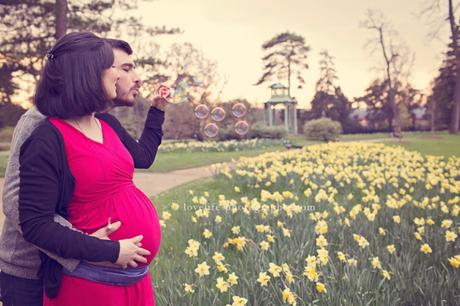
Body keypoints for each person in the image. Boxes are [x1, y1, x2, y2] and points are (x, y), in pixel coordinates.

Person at [0, 32, 165, 305]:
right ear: (87, 73)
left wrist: (157, 111)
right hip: (34, 268)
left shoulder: (102, 123)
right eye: (117, 68)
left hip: (102, 271)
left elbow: (142, 157)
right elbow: (18, 205)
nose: (124, 76)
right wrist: (93, 248)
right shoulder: (41, 125)